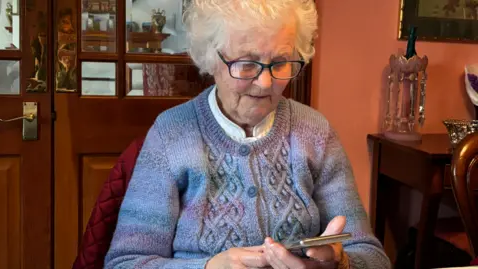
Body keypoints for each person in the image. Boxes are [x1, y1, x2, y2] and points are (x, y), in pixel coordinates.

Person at [104, 0, 391, 268]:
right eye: (247, 64)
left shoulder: (315, 132)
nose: (266, 83)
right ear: (211, 57)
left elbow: (373, 256)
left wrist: (339, 262)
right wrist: (208, 266)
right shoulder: (171, 134)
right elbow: (126, 262)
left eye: (280, 63)